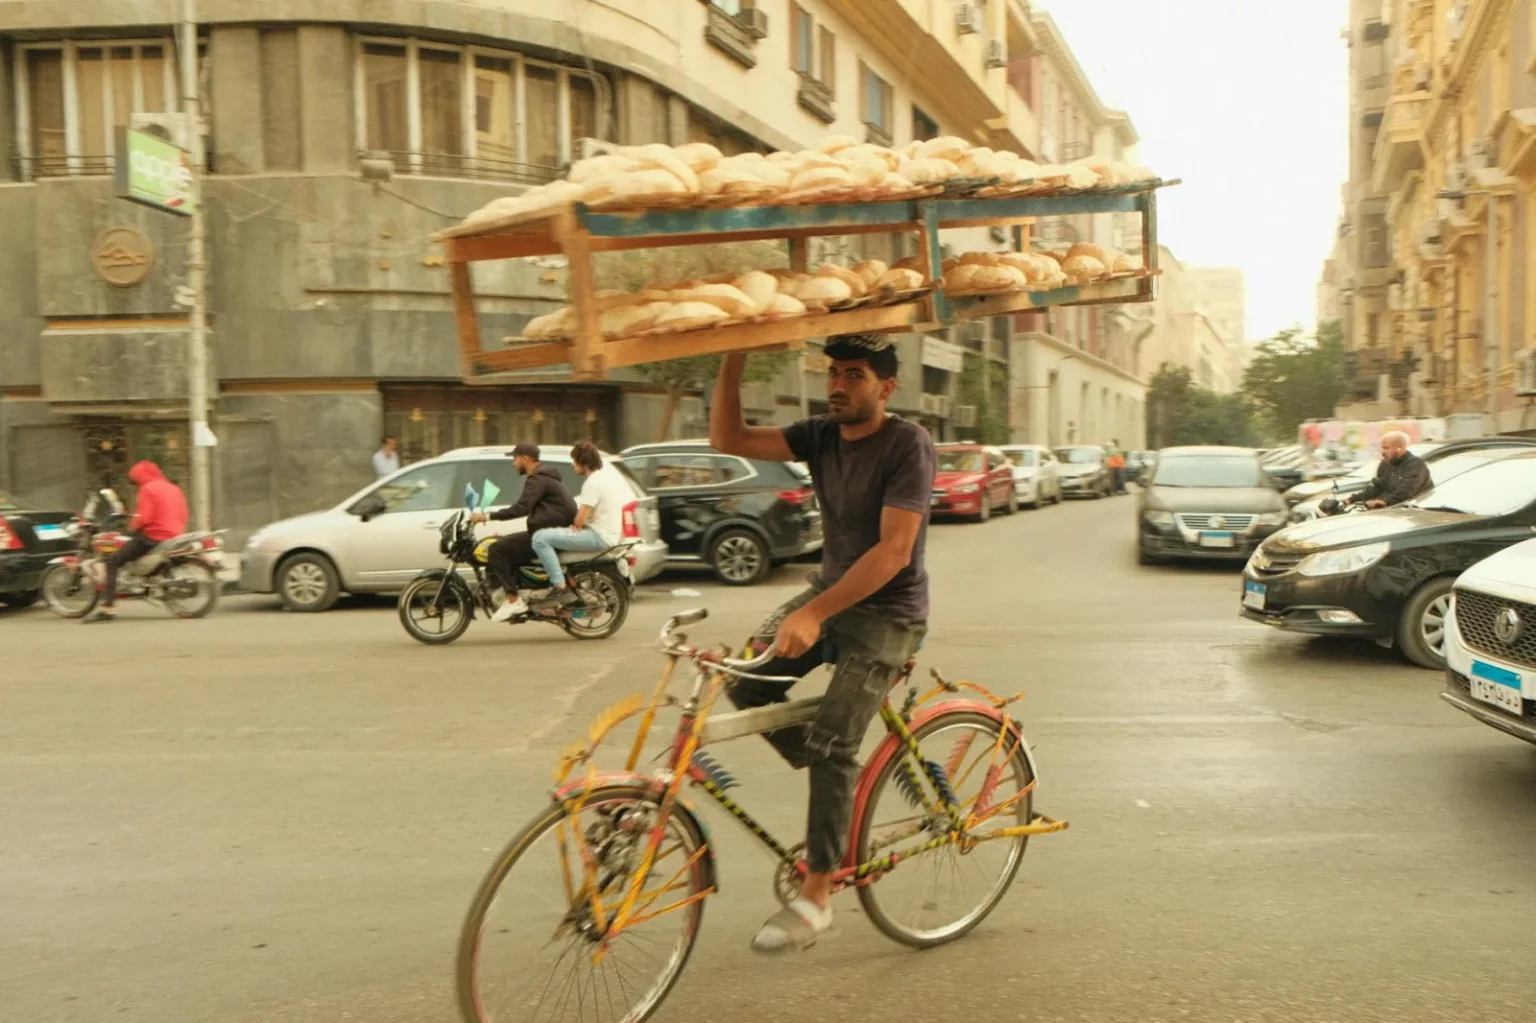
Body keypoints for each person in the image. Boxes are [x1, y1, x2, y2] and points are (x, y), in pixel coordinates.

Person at [709, 333, 933, 954]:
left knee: (832, 743)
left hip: (887, 615)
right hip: (830, 600)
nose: (838, 386)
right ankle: (835, 786)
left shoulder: (908, 444)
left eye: (854, 375)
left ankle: (817, 896)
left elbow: (893, 552)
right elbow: (728, 440)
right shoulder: (820, 435)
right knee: (744, 679)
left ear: (886, 387)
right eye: (834, 373)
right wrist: (734, 353)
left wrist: (813, 610)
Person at [469, 443, 577, 622]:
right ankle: (520, 592)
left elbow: (522, 508)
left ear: (525, 459)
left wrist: (487, 516)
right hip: (548, 532)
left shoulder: (537, 478)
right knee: (503, 543)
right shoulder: (545, 477)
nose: (513, 463)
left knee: (496, 550)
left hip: (547, 535)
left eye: (515, 458)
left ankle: (513, 600)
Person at [83, 461, 188, 624]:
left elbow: (144, 517)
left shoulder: (147, 489)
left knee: (113, 561)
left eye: (136, 481)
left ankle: (108, 607)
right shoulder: (174, 488)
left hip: (153, 536)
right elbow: (184, 515)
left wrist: (132, 527)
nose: (136, 484)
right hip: (174, 535)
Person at [529, 441, 629, 607]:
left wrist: (576, 524)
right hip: (607, 534)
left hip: (599, 536)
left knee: (540, 538)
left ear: (583, 462)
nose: (573, 464)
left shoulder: (592, 483)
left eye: (575, 460)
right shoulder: (606, 479)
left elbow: (580, 519)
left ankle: (559, 586)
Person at [1347, 430, 1431, 509]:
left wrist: (1385, 501)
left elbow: (1406, 491)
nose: (1383, 452)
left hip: (1411, 510)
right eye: (1382, 448)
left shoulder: (1415, 465)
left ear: (1400, 448)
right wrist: (1351, 499)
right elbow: (1376, 487)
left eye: (1386, 448)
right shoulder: (1385, 464)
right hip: (1389, 509)